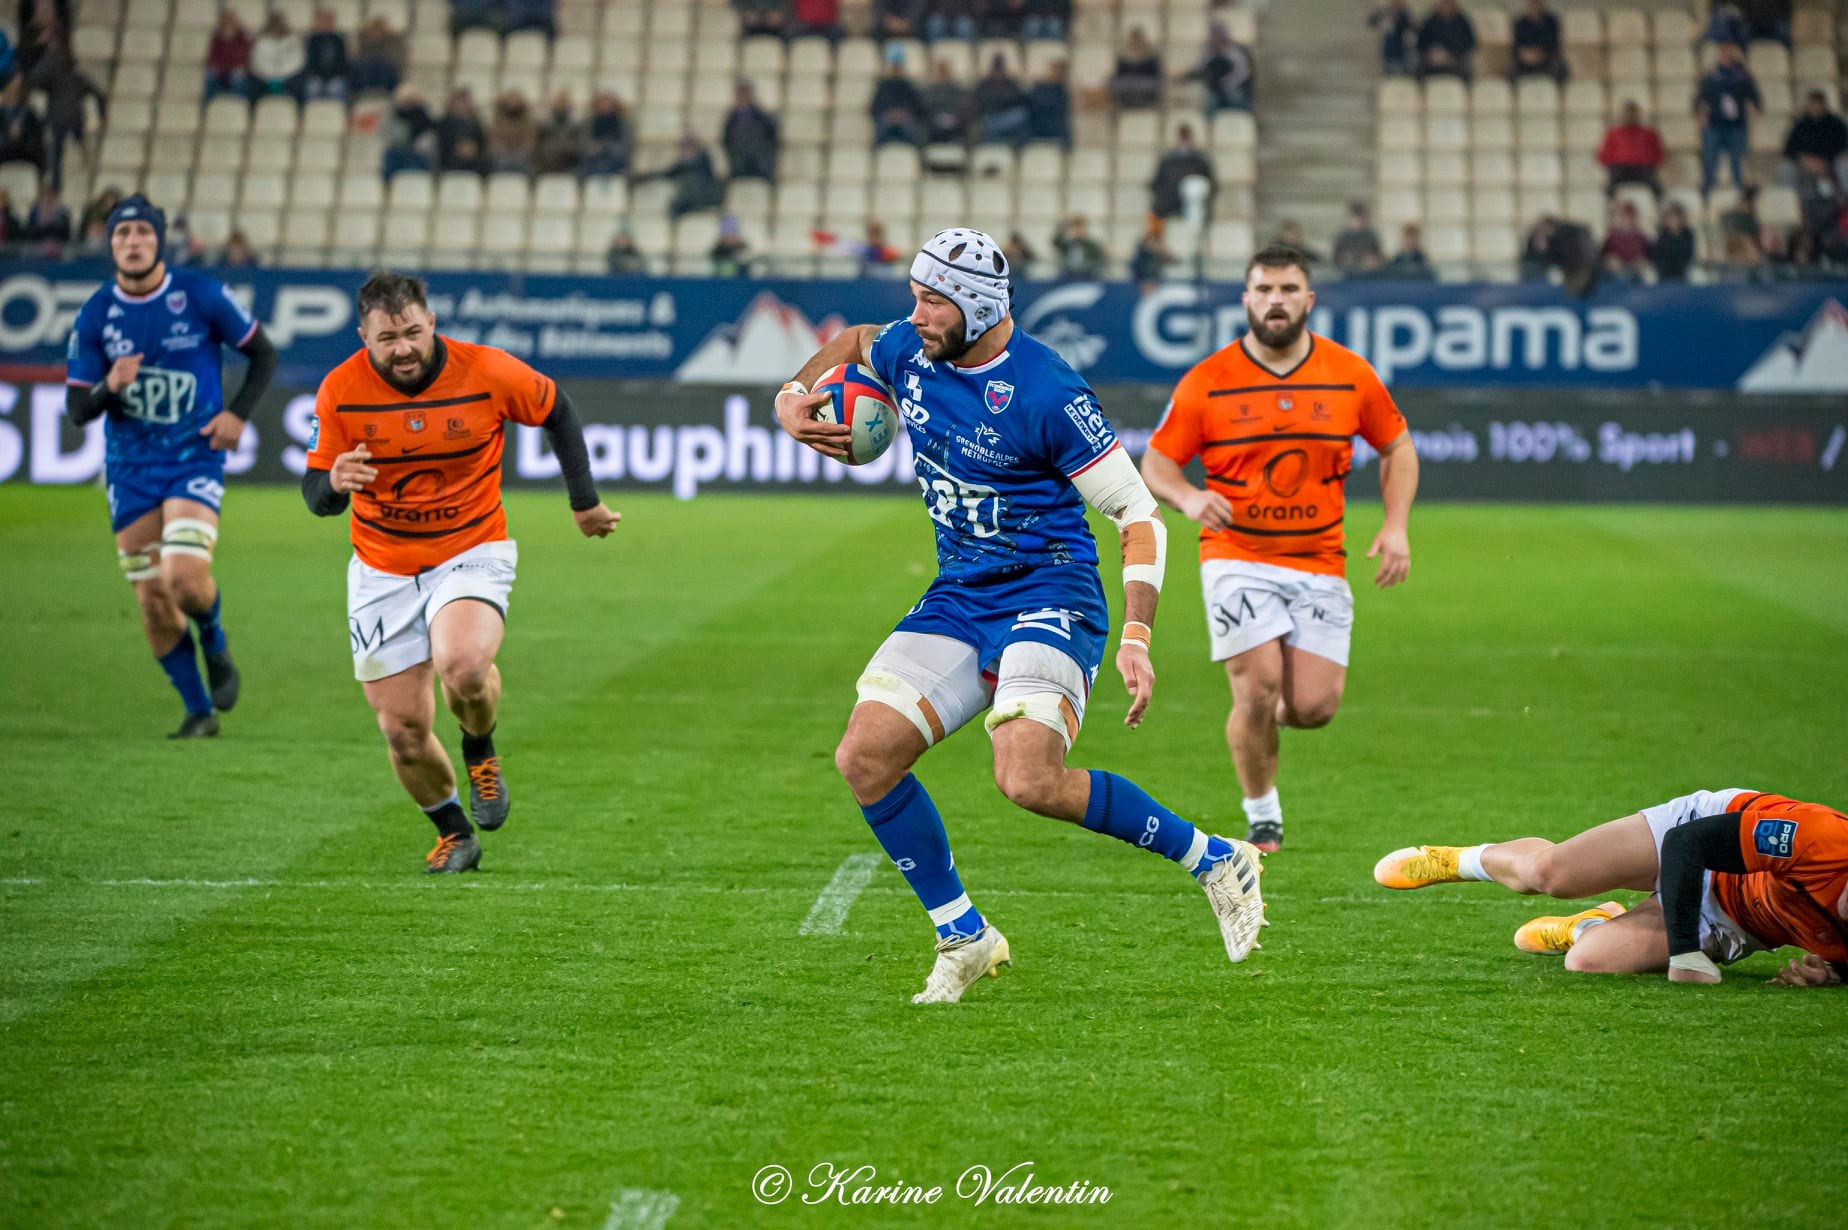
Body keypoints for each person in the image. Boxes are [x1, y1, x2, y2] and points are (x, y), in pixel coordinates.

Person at [772, 228, 1269, 1004]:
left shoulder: (1048, 391)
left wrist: (1137, 634)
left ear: (977, 307)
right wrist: (790, 398)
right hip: (962, 593)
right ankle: (964, 936)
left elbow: (1139, 515)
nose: (916, 315)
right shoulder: (910, 350)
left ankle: (1215, 859)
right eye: (914, 296)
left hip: (1052, 593)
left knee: (1029, 779)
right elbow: (856, 339)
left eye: (932, 301)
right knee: (864, 757)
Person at [301, 273, 619, 874]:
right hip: (381, 568)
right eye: (387, 338)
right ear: (364, 336)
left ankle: (480, 749)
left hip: (471, 548)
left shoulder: (487, 370)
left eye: (412, 332)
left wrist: (584, 502)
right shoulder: (340, 389)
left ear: (432, 323)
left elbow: (557, 409)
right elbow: (317, 493)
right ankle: (454, 832)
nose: (403, 348)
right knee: (403, 730)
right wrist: (334, 484)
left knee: (464, 665)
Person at [1139, 245, 1418, 852]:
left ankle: (1261, 722)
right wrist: (1188, 497)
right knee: (1257, 686)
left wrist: (1396, 525)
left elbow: (1397, 447)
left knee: (1313, 707)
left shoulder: (1350, 373)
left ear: (1308, 300)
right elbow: (1156, 461)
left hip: (1320, 560)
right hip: (1235, 555)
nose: (1275, 300)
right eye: (1264, 289)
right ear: (1246, 299)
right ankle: (1262, 813)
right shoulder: (1209, 380)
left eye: (1288, 289)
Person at [63, 196, 279, 738]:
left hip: (193, 457)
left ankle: (214, 638)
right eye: (122, 233)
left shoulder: (200, 294)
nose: (133, 241)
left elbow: (264, 353)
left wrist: (237, 414)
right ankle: (199, 712)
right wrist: (110, 385)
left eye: (143, 231)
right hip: (130, 469)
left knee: (182, 577)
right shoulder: (95, 314)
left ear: (160, 240)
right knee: (153, 602)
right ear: (110, 243)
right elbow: (78, 410)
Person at [1372, 789, 1848, 986]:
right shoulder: (1822, 840)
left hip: (1736, 918)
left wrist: (1826, 976)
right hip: (1706, 832)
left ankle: (1589, 925)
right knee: (1552, 874)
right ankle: (1463, 860)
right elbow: (1687, 844)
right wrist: (1685, 954)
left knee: (1587, 961)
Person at [26, 41, 103, 189]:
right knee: (59, 151)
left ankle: (60, 181)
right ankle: (78, 164)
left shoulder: (58, 78)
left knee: (57, 153)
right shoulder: (76, 78)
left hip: (62, 119)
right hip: (69, 119)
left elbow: (34, 81)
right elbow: (99, 95)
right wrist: (102, 114)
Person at [1695, 43, 1761, 198]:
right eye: (1723, 54)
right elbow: (1700, 97)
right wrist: (1700, 115)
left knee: (1737, 165)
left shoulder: (1743, 76)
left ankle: (1741, 198)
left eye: (1729, 53)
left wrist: (1756, 110)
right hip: (1714, 126)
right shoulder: (1712, 76)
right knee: (1710, 164)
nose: (1726, 56)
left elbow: (1754, 96)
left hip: (1736, 127)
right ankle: (1707, 197)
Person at [1596, 101, 1664, 198]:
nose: (1630, 117)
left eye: (1632, 114)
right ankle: (1610, 205)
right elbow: (1604, 155)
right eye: (1627, 114)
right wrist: (1612, 164)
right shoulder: (1613, 133)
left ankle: (1660, 205)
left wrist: (1650, 163)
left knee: (1656, 185)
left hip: (1642, 168)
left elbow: (1658, 153)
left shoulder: (1649, 133)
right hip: (1620, 169)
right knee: (1610, 186)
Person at [1149, 124, 1214, 220]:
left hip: (1191, 200)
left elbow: (1209, 179)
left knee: (1194, 188)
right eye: (1182, 137)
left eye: (1186, 137)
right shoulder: (1168, 160)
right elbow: (1157, 182)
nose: (1184, 141)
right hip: (1171, 198)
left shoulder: (1199, 159)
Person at [1188, 22, 1254, 112]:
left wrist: (1227, 84)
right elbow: (1199, 68)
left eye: (1219, 37)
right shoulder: (1208, 52)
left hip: (1234, 88)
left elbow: (1243, 73)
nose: (1216, 40)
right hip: (1215, 90)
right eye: (1214, 37)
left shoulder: (1235, 52)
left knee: (1235, 99)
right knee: (1210, 101)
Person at [722, 79, 779, 181]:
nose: (742, 97)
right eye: (740, 93)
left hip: (759, 167)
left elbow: (771, 140)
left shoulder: (762, 117)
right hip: (739, 167)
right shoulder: (732, 118)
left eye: (745, 93)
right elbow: (727, 141)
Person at [971, 53, 1030, 145]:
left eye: (1000, 68)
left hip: (1006, 117)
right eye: (996, 68)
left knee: (1020, 115)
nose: (998, 72)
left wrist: (1003, 101)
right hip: (989, 118)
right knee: (983, 124)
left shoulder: (1010, 83)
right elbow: (978, 101)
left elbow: (1018, 99)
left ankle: (1016, 145)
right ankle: (991, 145)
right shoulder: (984, 84)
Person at [248, 12, 306, 100]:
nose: (277, 26)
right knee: (252, 83)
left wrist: (281, 76)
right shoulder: (261, 41)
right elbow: (256, 62)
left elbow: (298, 61)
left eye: (279, 23)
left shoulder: (293, 40)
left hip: (289, 77)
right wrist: (271, 77)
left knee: (300, 83)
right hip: (265, 78)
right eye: (274, 23)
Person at [872, 53, 924, 146]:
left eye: (898, 69)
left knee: (911, 127)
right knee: (882, 126)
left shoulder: (908, 86)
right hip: (887, 116)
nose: (896, 71)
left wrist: (903, 113)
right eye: (894, 69)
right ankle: (881, 148)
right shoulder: (883, 86)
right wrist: (890, 114)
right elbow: (875, 106)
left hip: (905, 116)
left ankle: (912, 148)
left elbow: (916, 105)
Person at [1416, 0, 1475, 82]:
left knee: (1466, 70)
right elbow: (1421, 43)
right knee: (1418, 70)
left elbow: (1470, 43)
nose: (1445, 6)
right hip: (1433, 62)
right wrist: (1432, 53)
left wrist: (1451, 55)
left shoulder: (1462, 22)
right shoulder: (1429, 21)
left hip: (1455, 61)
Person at [301, 7, 349, 101]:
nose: (327, 23)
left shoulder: (338, 40)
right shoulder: (313, 40)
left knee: (336, 88)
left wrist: (336, 75)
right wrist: (315, 76)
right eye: (324, 20)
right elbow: (310, 62)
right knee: (312, 88)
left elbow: (343, 62)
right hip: (316, 76)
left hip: (335, 76)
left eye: (329, 20)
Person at [1510, 0, 1564, 82]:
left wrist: (1541, 54)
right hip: (1525, 60)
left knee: (1560, 67)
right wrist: (1526, 54)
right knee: (1512, 68)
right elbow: (1517, 46)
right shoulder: (1520, 23)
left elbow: (1555, 45)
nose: (1535, 6)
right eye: (1532, 3)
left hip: (1546, 59)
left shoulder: (1552, 22)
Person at [486, 90, 537, 175]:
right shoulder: (497, 122)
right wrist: (503, 150)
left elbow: (529, 142)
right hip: (502, 155)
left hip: (522, 156)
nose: (513, 104)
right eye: (510, 101)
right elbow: (494, 141)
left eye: (515, 101)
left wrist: (520, 151)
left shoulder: (528, 123)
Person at [204, 10, 252, 100]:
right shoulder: (216, 38)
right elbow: (212, 57)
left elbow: (244, 57)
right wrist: (219, 67)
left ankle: (237, 102)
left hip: (236, 70)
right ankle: (208, 102)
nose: (228, 25)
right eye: (226, 22)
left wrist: (237, 67)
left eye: (230, 22)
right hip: (221, 70)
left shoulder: (242, 37)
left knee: (238, 75)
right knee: (210, 74)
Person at [1110, 27, 1162, 110]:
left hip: (1146, 85)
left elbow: (1155, 75)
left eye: (1138, 38)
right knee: (1116, 83)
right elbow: (1119, 74)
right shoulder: (1123, 55)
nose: (1136, 41)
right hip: (1127, 85)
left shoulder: (1152, 55)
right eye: (1134, 38)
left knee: (1150, 83)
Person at [1599, 200, 1649, 281]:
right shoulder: (1612, 236)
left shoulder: (1639, 235)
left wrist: (1642, 260)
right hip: (1617, 270)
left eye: (1626, 217)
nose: (1623, 220)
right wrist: (1610, 259)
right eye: (1620, 217)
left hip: (1635, 269)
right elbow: (1604, 254)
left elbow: (1646, 253)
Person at [1025, 58, 1070, 145]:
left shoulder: (1060, 90)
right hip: (1037, 127)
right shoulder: (1039, 87)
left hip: (1052, 129)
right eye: (1054, 70)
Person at [1331, 201, 1382, 274]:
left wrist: (1373, 260)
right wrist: (1344, 260)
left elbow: (1379, 257)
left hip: (1368, 274)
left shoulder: (1371, 236)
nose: (1358, 222)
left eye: (1361, 219)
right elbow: (1335, 259)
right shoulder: (1342, 238)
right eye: (1356, 219)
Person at [1651, 203, 1696, 280]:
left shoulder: (1688, 234)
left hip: (1683, 268)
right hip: (1665, 269)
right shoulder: (1663, 235)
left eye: (1676, 218)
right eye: (1671, 218)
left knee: (1696, 274)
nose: (1674, 221)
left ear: (1681, 219)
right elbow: (1659, 255)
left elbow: (1689, 253)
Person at [1370, 0, 1414, 76]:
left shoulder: (1404, 14)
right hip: (1389, 49)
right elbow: (1372, 21)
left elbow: (1409, 27)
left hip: (1401, 50)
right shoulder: (1385, 12)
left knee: (1401, 73)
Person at [1053, 213, 1105, 278]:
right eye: (1076, 228)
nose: (1078, 230)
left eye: (1081, 227)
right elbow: (1056, 241)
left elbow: (1098, 261)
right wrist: (1063, 225)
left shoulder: (1092, 245)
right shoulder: (1067, 245)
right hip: (1068, 275)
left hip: (1087, 275)